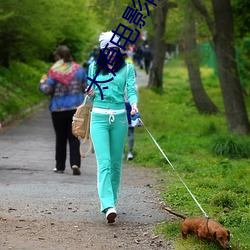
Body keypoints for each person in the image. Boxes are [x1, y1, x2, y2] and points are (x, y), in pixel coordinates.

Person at [86, 31, 138, 223]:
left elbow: (131, 90)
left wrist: (134, 104)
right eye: (105, 49)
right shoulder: (94, 68)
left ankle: (112, 201)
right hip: (98, 118)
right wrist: (90, 92)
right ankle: (108, 205)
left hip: (120, 119)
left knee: (116, 164)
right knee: (105, 163)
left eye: (113, 49)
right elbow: (91, 96)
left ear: (118, 50)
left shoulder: (127, 68)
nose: (109, 52)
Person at [39, 45, 87, 175]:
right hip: (75, 109)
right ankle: (75, 163)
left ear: (58, 57)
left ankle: (60, 167)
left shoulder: (54, 71)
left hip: (58, 109)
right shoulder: (79, 70)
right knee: (74, 136)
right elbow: (86, 87)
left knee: (60, 138)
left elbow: (47, 90)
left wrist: (42, 83)